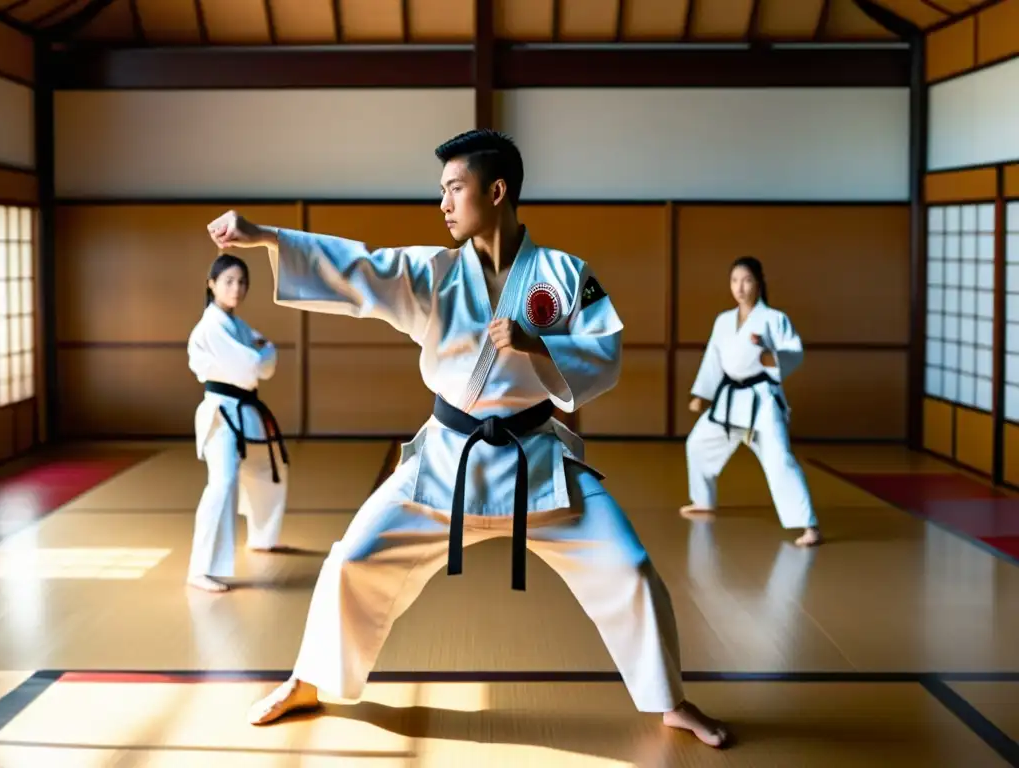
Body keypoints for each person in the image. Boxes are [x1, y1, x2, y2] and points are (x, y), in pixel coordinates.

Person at [206, 129, 729, 748]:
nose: (444, 204)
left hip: (538, 461)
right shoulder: (434, 271)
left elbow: (604, 352)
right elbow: (360, 268)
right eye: (442, 191)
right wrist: (267, 236)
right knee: (352, 558)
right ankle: (310, 679)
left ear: (497, 190)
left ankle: (670, 699)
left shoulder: (564, 274)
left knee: (631, 568)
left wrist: (541, 346)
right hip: (446, 460)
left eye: (455, 188)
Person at [680, 256, 822, 548]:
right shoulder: (723, 321)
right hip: (730, 400)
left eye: (746, 280)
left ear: (759, 283)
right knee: (697, 444)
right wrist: (701, 395)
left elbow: (792, 354)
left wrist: (768, 353)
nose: (740, 287)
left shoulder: (774, 319)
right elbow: (712, 360)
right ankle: (703, 500)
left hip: (762, 401)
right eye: (734, 281)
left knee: (779, 458)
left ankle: (809, 526)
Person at [186, 253, 290, 593]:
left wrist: (262, 354)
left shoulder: (238, 325)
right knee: (223, 482)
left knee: (268, 473)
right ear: (211, 284)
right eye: (229, 281)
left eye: (242, 282)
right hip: (222, 411)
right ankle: (201, 568)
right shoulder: (210, 326)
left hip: (246, 410)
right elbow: (250, 368)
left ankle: (262, 537)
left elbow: (268, 361)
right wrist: (260, 354)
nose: (237, 288)